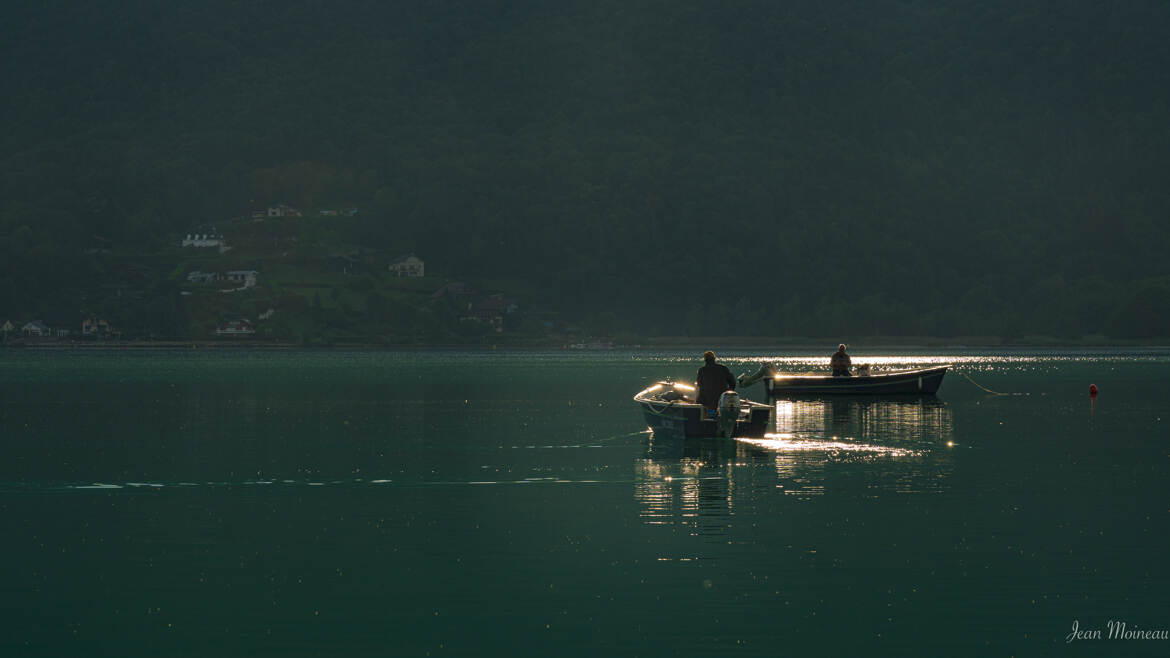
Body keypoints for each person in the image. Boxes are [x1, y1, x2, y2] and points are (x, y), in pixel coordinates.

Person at [695, 351, 736, 416]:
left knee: (699, 399)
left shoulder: (701, 370)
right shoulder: (723, 368)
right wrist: (728, 392)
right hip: (722, 399)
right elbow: (733, 382)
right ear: (714, 359)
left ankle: (706, 413)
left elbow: (699, 385)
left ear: (705, 360)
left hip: (707, 400)